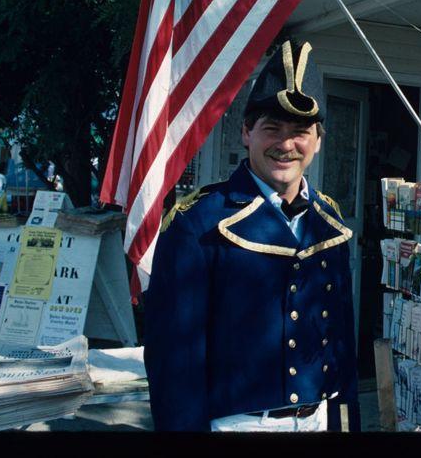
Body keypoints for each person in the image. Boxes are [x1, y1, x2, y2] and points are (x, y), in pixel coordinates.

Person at [143, 41, 361, 432]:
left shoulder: (329, 221)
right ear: (245, 133)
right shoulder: (199, 224)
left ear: (318, 141)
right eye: (271, 129)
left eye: (300, 133)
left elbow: (341, 344)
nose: (286, 144)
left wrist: (347, 425)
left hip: (319, 421)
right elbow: (174, 363)